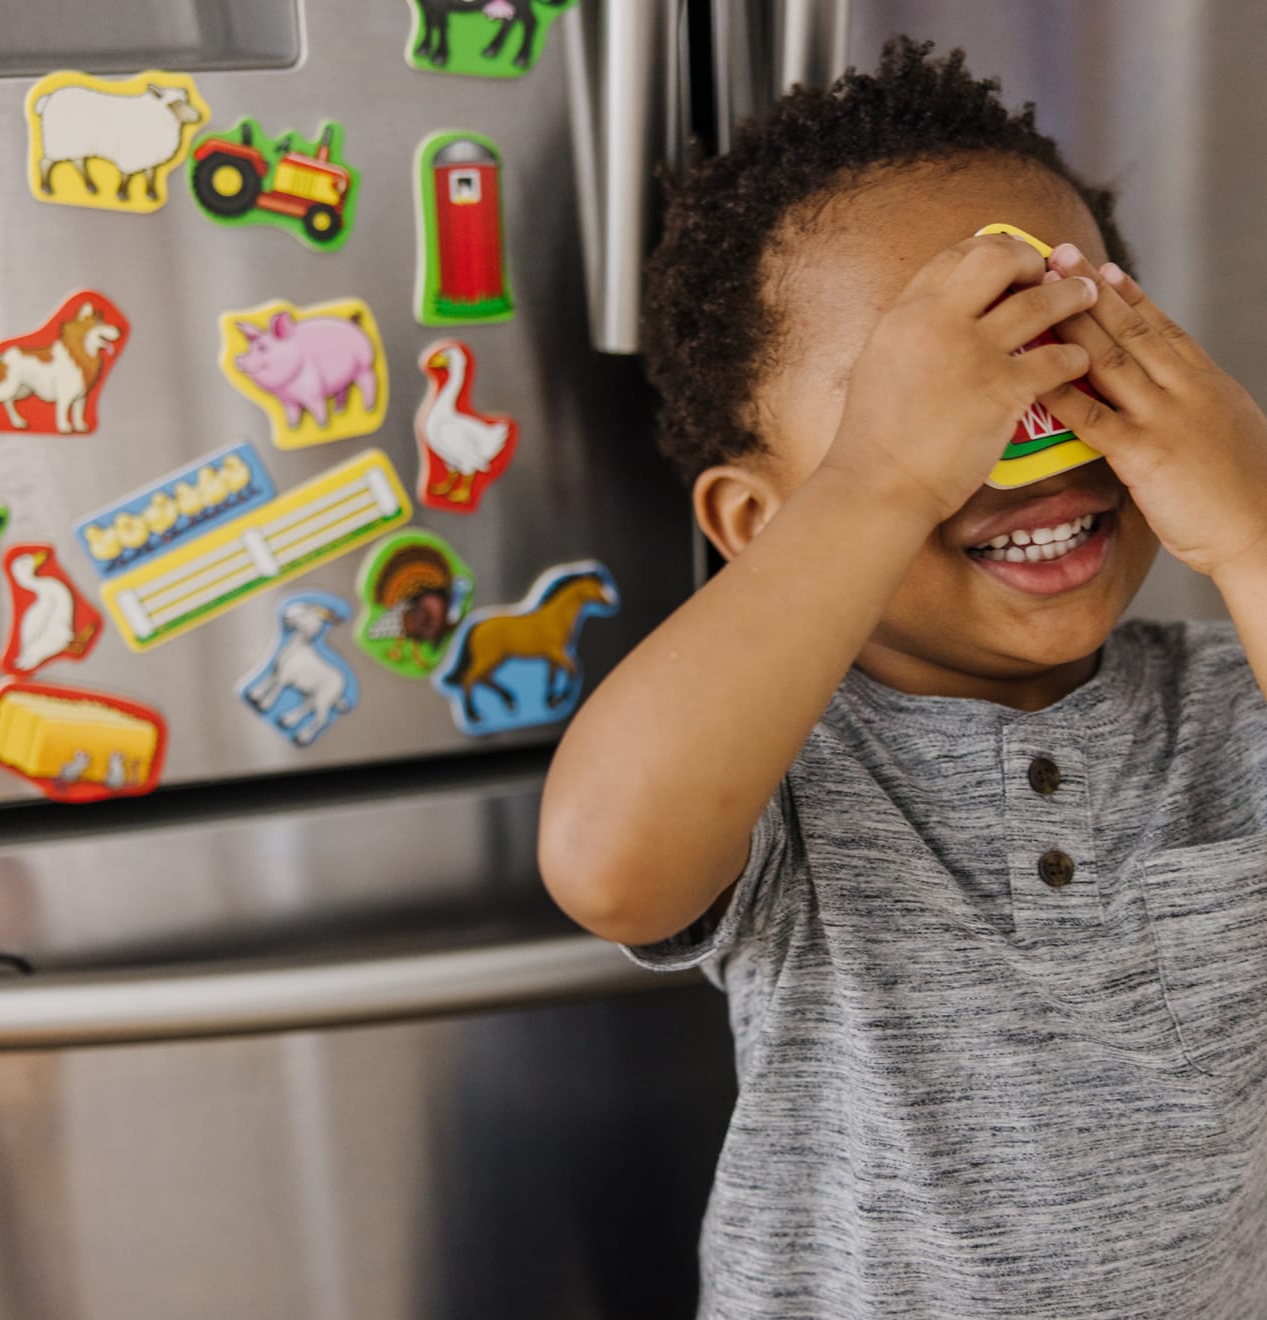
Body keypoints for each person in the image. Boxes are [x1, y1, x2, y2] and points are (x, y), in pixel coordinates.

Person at [537, 34, 1267, 1320]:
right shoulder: (789, 765)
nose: (1031, 449)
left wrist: (1257, 524)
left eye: (1066, 351)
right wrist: (885, 479)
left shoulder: (1234, 705)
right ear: (760, 522)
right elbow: (608, 859)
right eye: (934, 398)